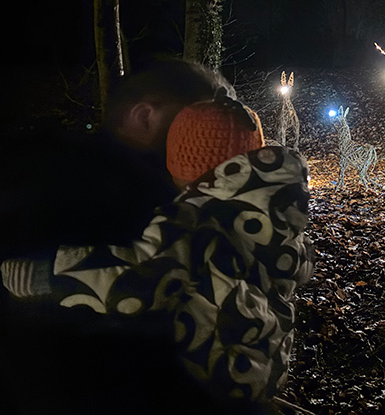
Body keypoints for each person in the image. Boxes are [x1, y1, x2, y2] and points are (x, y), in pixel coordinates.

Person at [2, 90, 315, 414]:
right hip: (266, 366)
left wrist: (46, 275)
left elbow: (135, 278)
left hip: (214, 374)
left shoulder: (192, 221)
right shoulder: (277, 217)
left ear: (185, 166)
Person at [0, 57, 232, 415]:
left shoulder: (54, 172)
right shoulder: (84, 192)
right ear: (145, 116)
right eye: (200, 122)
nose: (212, 139)